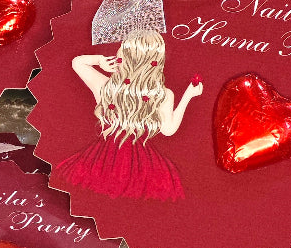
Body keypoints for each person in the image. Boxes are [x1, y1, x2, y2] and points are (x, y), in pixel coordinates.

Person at [53, 29, 203, 201]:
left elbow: (77, 63)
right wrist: (188, 96)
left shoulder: (106, 87)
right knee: (136, 203)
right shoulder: (162, 95)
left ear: (123, 55)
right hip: (142, 164)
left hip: (101, 160)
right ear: (156, 61)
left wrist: (100, 61)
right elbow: (168, 130)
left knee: (93, 197)